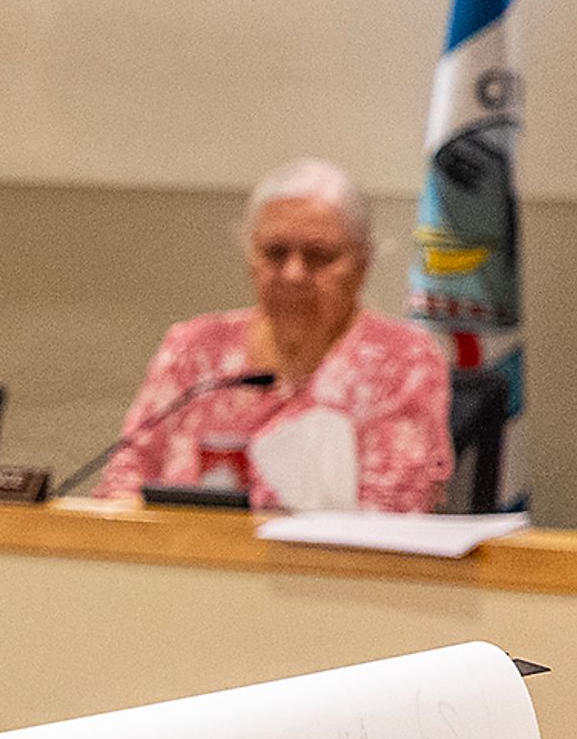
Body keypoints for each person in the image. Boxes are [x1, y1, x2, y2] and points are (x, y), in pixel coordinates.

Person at [94, 159, 451, 511]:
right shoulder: (195, 348)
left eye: (319, 256)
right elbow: (122, 479)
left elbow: (398, 508)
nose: (293, 274)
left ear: (362, 264)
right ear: (251, 257)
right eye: (275, 254)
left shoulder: (404, 360)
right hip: (182, 564)